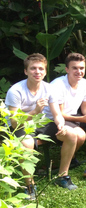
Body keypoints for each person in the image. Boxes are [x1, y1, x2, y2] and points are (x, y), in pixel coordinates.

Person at [5, 53, 81, 194]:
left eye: (41, 69)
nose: (37, 72)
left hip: (41, 123)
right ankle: (30, 185)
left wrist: (60, 125)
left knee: (71, 134)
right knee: (26, 144)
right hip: (21, 126)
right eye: (33, 68)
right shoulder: (15, 91)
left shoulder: (49, 88)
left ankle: (62, 176)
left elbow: (57, 113)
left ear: (45, 72)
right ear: (26, 71)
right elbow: (15, 123)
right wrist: (35, 111)